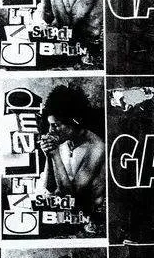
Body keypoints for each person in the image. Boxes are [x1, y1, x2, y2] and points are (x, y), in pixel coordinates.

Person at [35, 83, 106, 235]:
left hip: (89, 219)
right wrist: (48, 155)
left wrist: (54, 154)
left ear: (75, 122)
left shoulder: (96, 147)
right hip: (66, 212)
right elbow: (50, 187)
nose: (50, 131)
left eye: (56, 125)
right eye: (50, 125)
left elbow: (71, 197)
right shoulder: (63, 141)